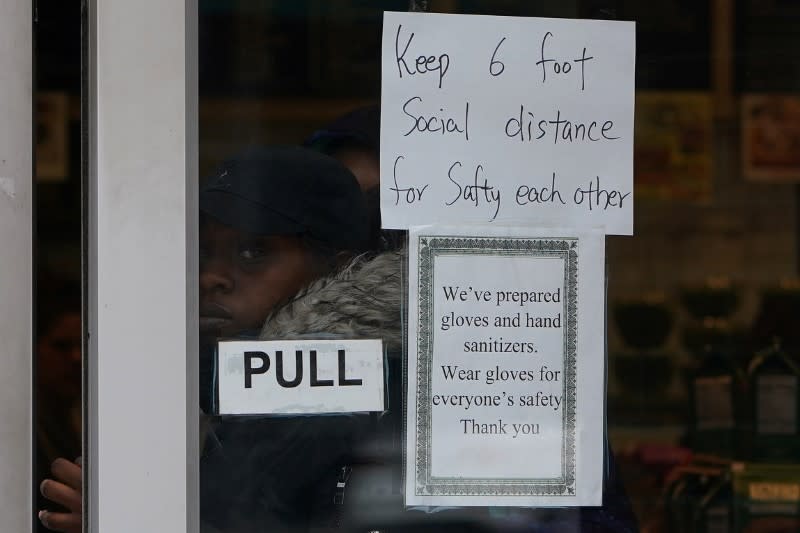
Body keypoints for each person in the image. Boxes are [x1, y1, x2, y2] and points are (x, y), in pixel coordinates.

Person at [39, 145, 373, 532]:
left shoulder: (334, 398)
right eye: (201, 251)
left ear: (336, 269)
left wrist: (140, 520)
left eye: (252, 252)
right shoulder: (207, 381)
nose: (209, 277)